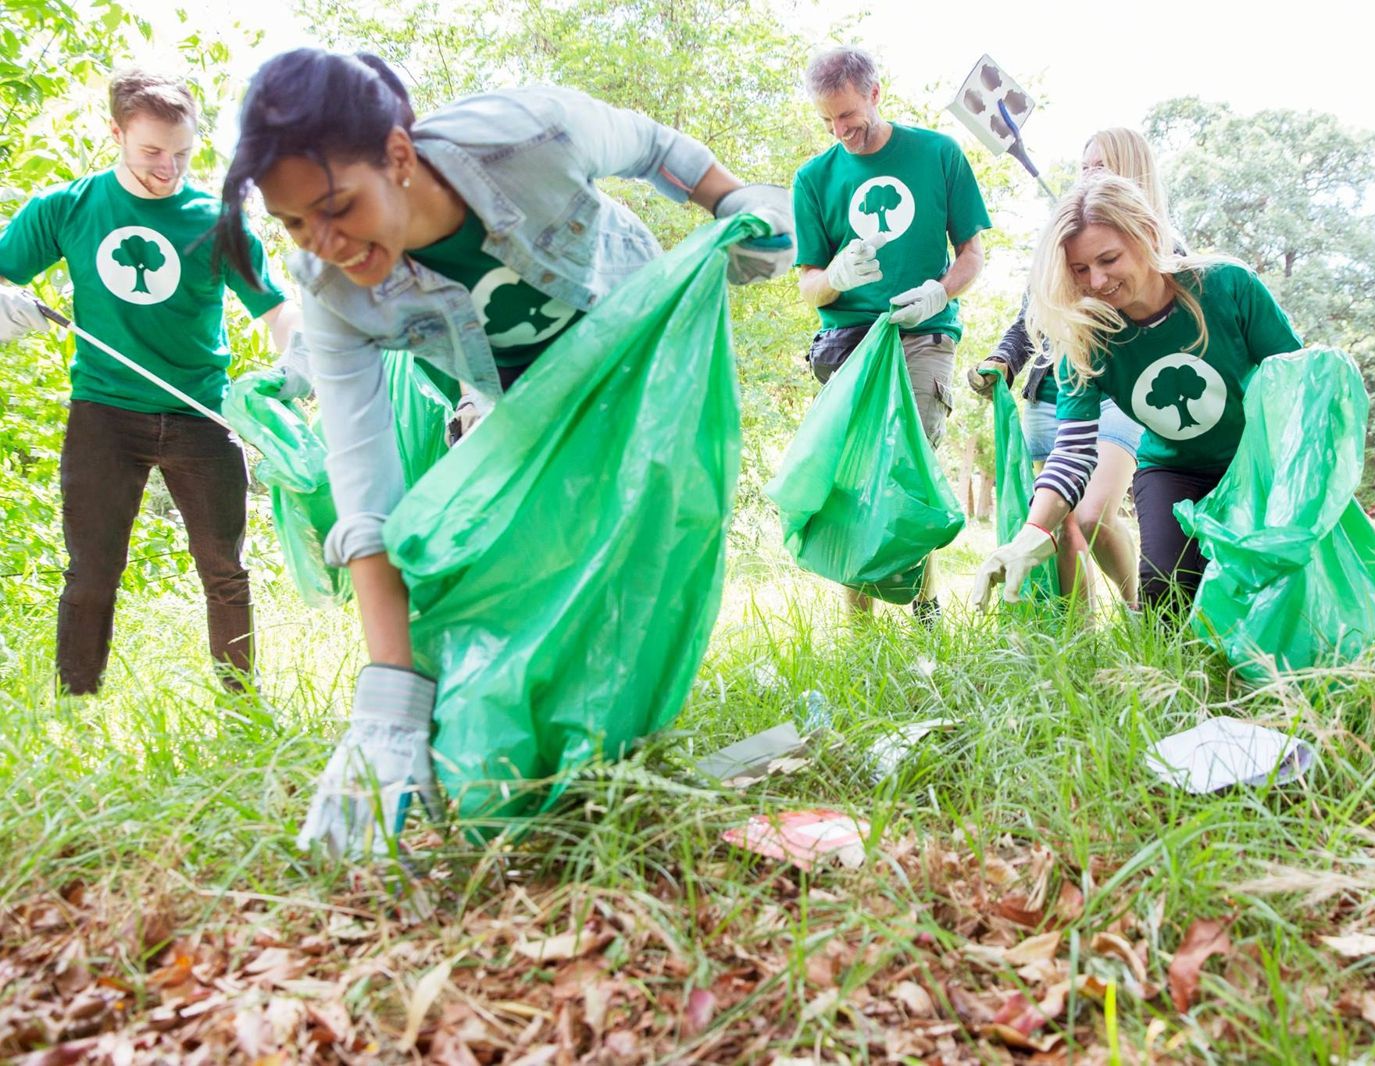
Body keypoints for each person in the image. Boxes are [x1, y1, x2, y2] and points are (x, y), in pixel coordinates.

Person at [214, 48, 795, 857]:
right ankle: (565, 756)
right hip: (521, 407)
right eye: (294, 223)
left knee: (643, 548)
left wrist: (734, 200)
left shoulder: (528, 133)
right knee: (529, 562)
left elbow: (655, 147)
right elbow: (367, 491)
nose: (326, 242)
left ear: (398, 154)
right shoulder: (331, 292)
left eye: (338, 206)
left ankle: (627, 740)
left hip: (639, 355)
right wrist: (390, 698)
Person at [0, 69, 303, 696]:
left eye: (184, 153)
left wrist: (294, 365)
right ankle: (76, 704)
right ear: (116, 133)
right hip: (105, 415)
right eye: (151, 152)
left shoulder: (217, 221)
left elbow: (276, 309)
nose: (169, 168)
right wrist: (10, 306)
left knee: (226, 571)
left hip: (202, 413)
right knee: (92, 573)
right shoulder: (67, 207)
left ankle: (241, 705)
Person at [970, 173, 1302, 616]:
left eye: (1109, 259)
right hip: (1174, 471)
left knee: (1272, 588)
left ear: (1146, 234)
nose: (1097, 281)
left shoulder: (1227, 286)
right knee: (1165, 593)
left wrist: (1301, 470)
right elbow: (1072, 452)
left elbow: (1296, 381)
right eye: (1079, 270)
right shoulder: (1086, 340)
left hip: (1256, 462)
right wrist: (1033, 532)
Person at [792, 45, 991, 624]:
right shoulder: (815, 178)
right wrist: (834, 276)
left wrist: (940, 292)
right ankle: (862, 628)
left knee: (910, 470)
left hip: (922, 335)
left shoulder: (937, 154)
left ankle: (926, 611)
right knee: (853, 478)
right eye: (828, 120)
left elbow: (973, 254)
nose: (840, 130)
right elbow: (808, 286)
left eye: (848, 115)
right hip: (849, 345)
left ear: (876, 94)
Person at [968, 128, 1181, 612]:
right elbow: (1033, 313)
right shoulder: (1065, 240)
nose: (1088, 175)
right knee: (1061, 521)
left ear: (1134, 170)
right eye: (1085, 167)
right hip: (1059, 387)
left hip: (1124, 393)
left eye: (1101, 166)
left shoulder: (1167, 246)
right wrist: (1004, 361)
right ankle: (1077, 637)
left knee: (1092, 514)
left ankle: (1137, 613)